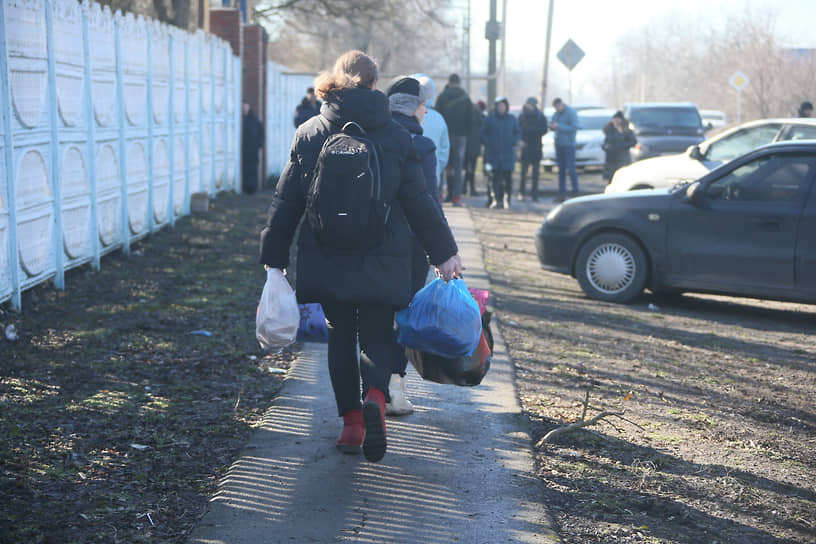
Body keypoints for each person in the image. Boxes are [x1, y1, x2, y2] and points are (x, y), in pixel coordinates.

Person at [259, 51, 464, 463]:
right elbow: (419, 200)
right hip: (382, 255)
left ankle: (352, 425)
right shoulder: (396, 135)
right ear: (375, 86)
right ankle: (375, 395)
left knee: (340, 335)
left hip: (326, 253)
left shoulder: (309, 132)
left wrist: (274, 259)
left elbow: (286, 202)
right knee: (376, 332)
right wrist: (445, 252)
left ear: (335, 81)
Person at [384, 76, 441, 416]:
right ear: (416, 107)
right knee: (402, 318)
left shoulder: (371, 138)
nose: (425, 111)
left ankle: (374, 391)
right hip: (411, 249)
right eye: (424, 105)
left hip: (372, 245)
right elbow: (429, 203)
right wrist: (442, 252)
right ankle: (394, 388)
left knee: (375, 318)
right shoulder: (423, 146)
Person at [435, 73, 473, 206]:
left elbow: (437, 115)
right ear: (459, 82)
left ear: (449, 82)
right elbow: (471, 118)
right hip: (461, 136)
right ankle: (456, 197)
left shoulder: (442, 96)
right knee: (458, 168)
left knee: (442, 165)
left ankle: (439, 195)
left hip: (444, 135)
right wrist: (467, 134)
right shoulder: (465, 97)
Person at [413, 74, 450, 195]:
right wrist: (438, 166)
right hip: (433, 175)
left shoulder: (406, 114)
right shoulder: (439, 118)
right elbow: (444, 150)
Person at [480, 97, 520, 209]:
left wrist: (513, 142)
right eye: (499, 106)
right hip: (493, 154)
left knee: (508, 179)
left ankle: (507, 200)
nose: (501, 108)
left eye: (503, 106)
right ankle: (494, 199)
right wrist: (489, 143)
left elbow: (518, 132)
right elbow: (483, 133)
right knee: (493, 178)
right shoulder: (490, 119)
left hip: (508, 154)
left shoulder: (512, 119)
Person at [518, 97, 548, 201]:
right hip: (525, 147)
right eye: (528, 104)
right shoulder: (522, 116)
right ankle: (522, 193)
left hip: (536, 147)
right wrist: (527, 132)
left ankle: (534, 194)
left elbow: (544, 129)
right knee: (523, 173)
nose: (530, 106)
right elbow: (519, 130)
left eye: (532, 104)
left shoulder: (540, 116)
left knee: (536, 174)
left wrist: (533, 131)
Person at [550, 97, 579, 197]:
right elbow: (553, 124)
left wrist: (559, 126)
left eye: (558, 107)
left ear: (561, 104)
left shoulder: (571, 112)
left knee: (571, 169)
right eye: (555, 108)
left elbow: (574, 127)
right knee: (561, 170)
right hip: (559, 145)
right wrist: (552, 126)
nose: (557, 109)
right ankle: (562, 193)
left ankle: (575, 191)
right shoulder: (556, 114)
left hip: (569, 145)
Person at [602, 110, 637, 181]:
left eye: (618, 119)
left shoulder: (626, 130)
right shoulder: (609, 130)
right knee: (611, 179)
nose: (616, 121)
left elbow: (633, 142)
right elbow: (606, 142)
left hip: (622, 159)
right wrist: (605, 147)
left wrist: (622, 146)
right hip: (611, 159)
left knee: (622, 178)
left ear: (621, 120)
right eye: (614, 119)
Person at [464, 100, 486, 196]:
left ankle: (464, 187)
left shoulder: (467, 115)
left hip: (467, 145)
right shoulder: (480, 117)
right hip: (473, 146)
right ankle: (471, 189)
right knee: (471, 169)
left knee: (467, 169)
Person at [241, 103, 264, 194]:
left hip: (253, 149)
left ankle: (252, 188)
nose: (244, 109)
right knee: (246, 169)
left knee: (252, 169)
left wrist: (259, 144)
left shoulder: (254, 120)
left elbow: (261, 132)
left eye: (245, 107)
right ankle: (246, 187)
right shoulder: (241, 120)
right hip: (244, 149)